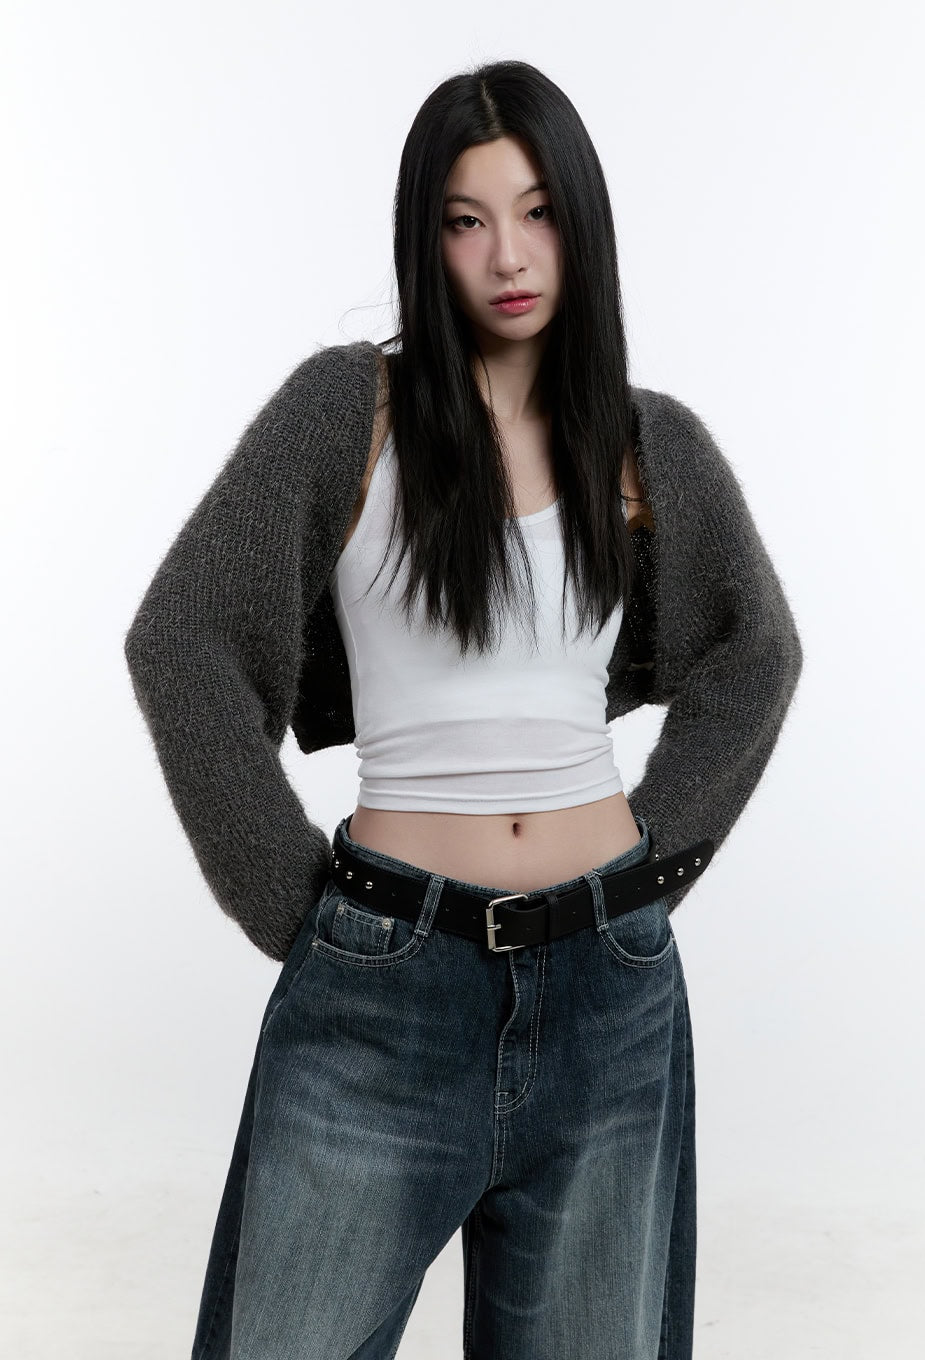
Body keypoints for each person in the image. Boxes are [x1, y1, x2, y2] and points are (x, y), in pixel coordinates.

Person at [124, 59, 802, 1360]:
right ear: (424, 239)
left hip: (609, 997)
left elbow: (755, 652)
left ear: (582, 223)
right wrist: (300, 908)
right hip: (386, 983)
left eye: (538, 212)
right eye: (467, 219)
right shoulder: (350, 415)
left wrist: (647, 865)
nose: (509, 255)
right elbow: (183, 638)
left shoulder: (642, 443)